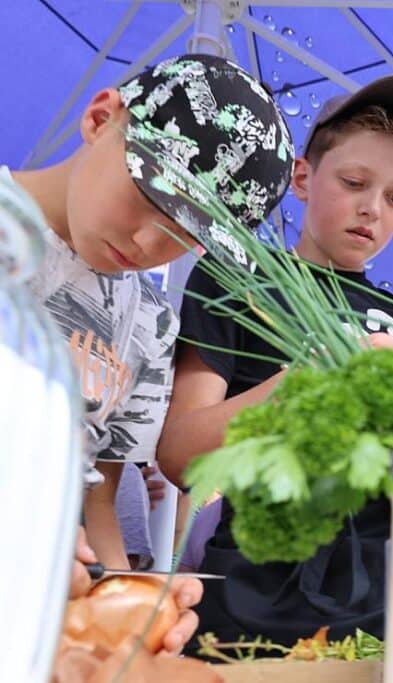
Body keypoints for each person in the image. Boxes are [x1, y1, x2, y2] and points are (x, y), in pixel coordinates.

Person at [154, 76, 393, 648]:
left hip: (386, 596)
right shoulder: (237, 278)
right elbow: (179, 453)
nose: (372, 209)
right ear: (302, 178)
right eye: (354, 182)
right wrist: (298, 385)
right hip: (250, 591)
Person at [4, 53, 293, 572]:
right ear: (100, 119)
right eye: (149, 194)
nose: (146, 242)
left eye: (187, 233)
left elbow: (98, 505)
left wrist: (129, 600)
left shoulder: (150, 325)